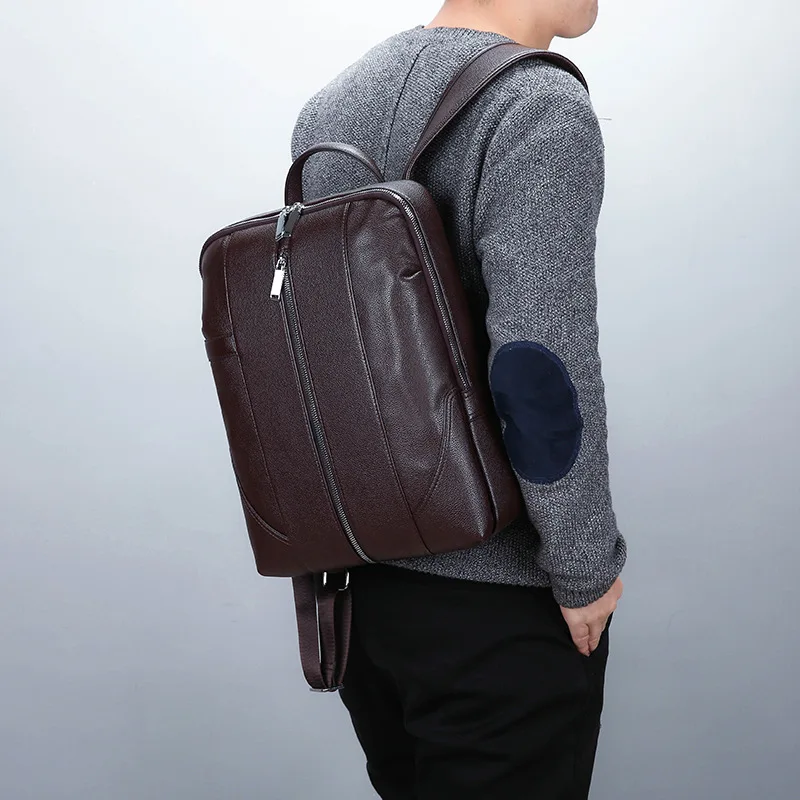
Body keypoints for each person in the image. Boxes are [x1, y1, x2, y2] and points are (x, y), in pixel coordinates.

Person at [290, 1, 627, 797]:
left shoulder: (331, 104)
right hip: (496, 602)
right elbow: (538, 361)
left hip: (365, 597)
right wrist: (584, 567)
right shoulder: (536, 105)